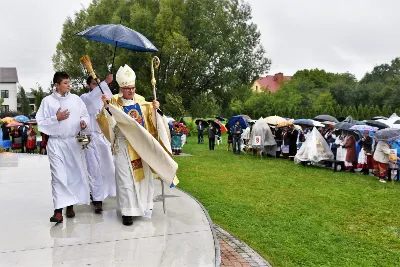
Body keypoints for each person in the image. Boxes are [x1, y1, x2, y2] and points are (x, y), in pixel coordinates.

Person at [97, 64, 177, 226]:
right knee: (125, 180)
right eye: (127, 88)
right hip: (123, 146)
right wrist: (107, 108)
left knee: (144, 180)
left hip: (141, 147)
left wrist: (156, 110)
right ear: (121, 88)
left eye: (133, 88)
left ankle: (144, 208)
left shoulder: (142, 102)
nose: (131, 91)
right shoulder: (113, 101)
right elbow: (107, 123)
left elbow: (153, 123)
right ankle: (127, 212)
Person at [36, 71, 90, 224]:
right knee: (58, 176)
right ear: (57, 85)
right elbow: (40, 123)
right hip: (56, 143)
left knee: (72, 175)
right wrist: (56, 118)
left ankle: (70, 206)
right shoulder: (47, 101)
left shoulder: (76, 100)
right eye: (65, 83)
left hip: (72, 143)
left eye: (69, 82)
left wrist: (84, 122)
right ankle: (58, 212)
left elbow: (84, 115)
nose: (68, 85)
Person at [80, 74, 116, 214]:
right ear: (89, 85)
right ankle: (97, 200)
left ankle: (103, 194)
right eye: (95, 84)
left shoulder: (104, 98)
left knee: (108, 167)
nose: (98, 87)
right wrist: (105, 83)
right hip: (87, 137)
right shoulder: (84, 98)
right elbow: (90, 100)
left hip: (102, 138)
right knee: (92, 169)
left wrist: (106, 102)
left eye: (99, 84)